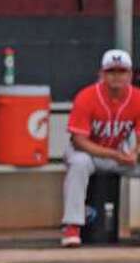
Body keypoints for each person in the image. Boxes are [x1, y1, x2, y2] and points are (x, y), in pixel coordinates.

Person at [59, 48, 140, 247]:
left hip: (118, 155)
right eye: (111, 71)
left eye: (122, 72)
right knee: (79, 162)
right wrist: (116, 155)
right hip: (88, 154)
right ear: (101, 74)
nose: (116, 77)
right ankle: (72, 226)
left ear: (130, 75)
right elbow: (79, 140)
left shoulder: (137, 98)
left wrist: (135, 153)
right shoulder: (86, 96)